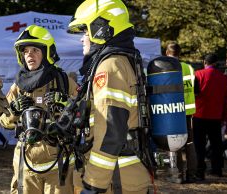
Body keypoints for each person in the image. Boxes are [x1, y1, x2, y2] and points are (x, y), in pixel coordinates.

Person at [67, 0, 151, 193]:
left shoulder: (110, 66)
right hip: (123, 175)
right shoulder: (121, 60)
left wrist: (93, 184)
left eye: (85, 32)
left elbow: (111, 132)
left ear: (101, 29)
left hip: (115, 179)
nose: (82, 39)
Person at [0, 25, 78, 194]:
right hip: (26, 164)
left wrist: (66, 104)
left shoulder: (64, 81)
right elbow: (3, 121)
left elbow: (85, 113)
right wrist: (13, 111)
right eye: (25, 51)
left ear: (47, 52)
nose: (29, 55)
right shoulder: (18, 87)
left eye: (35, 50)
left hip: (58, 165)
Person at [193, 53, 227, 179]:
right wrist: (225, 118)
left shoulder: (198, 75)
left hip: (200, 115)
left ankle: (200, 170)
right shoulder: (224, 78)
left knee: (199, 145)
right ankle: (217, 169)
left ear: (205, 62)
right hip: (216, 116)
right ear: (216, 63)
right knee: (216, 144)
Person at [165, 42, 199, 183]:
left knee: (174, 144)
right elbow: (197, 91)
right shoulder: (189, 68)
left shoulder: (165, 67)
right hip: (188, 113)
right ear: (179, 53)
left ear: (167, 53)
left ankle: (177, 176)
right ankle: (192, 175)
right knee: (190, 144)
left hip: (172, 112)